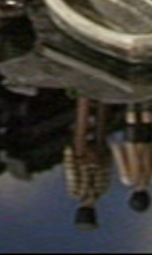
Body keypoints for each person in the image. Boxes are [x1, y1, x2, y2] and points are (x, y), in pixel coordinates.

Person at [63, 97, 113, 230]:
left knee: (96, 125)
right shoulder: (78, 192)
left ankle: (97, 98)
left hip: (92, 157)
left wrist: (105, 155)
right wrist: (69, 152)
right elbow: (71, 169)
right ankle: (86, 97)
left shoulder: (101, 191)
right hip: (86, 156)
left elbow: (107, 168)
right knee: (86, 125)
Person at [110, 101, 152, 214]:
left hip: (147, 145)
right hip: (131, 145)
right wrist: (115, 147)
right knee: (131, 123)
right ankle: (131, 103)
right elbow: (121, 161)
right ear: (132, 196)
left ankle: (145, 103)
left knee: (146, 123)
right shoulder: (127, 179)